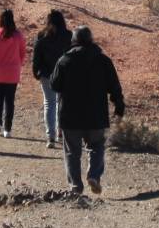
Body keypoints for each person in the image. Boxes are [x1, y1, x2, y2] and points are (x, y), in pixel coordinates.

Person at [50, 26, 125, 195]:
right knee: (97, 146)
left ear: (74, 40)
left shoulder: (64, 60)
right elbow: (114, 86)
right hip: (96, 115)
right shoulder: (103, 60)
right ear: (91, 40)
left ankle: (76, 187)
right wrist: (119, 105)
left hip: (70, 116)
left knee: (72, 152)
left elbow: (54, 85)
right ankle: (94, 176)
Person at [30, 9, 72, 149]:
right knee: (61, 102)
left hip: (47, 74)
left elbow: (36, 56)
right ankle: (61, 131)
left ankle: (51, 136)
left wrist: (35, 71)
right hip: (65, 74)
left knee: (49, 103)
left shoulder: (42, 36)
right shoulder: (68, 36)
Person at [0, 9, 27, 138]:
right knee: (10, 101)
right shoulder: (18, 36)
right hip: (13, 72)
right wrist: (17, 64)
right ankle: (8, 129)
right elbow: (22, 53)